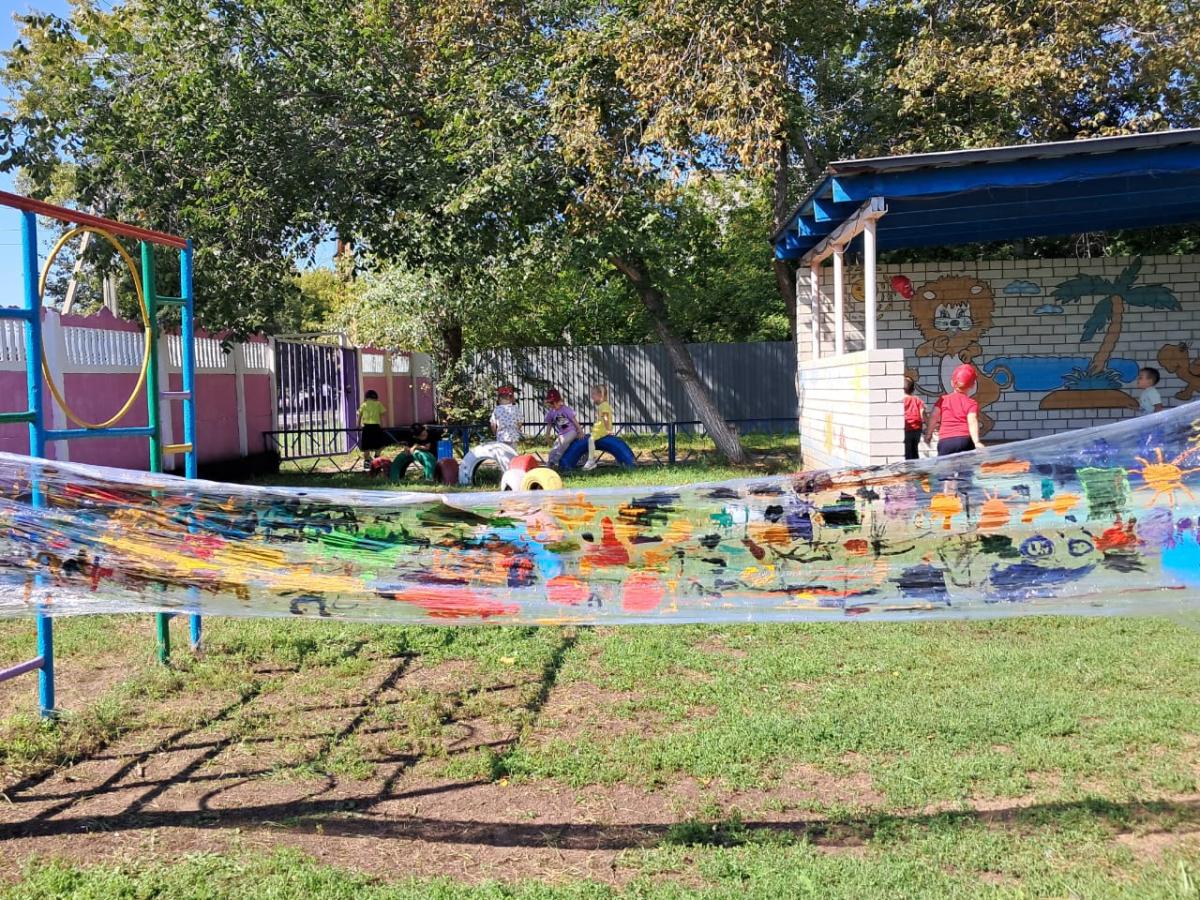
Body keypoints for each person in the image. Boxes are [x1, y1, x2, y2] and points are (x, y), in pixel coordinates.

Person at [926, 364, 986, 456]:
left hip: (945, 441)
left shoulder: (943, 400)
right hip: (964, 440)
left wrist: (929, 434)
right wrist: (976, 442)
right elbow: (972, 421)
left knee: (945, 465)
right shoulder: (971, 403)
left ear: (952, 383)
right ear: (973, 385)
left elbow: (934, 416)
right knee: (967, 465)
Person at [543, 388, 580, 469]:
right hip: (562, 434)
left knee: (563, 442)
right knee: (553, 449)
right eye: (551, 405)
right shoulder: (552, 412)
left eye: (554, 404)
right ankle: (549, 465)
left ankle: (555, 460)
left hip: (571, 431)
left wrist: (580, 431)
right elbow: (549, 424)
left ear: (558, 401)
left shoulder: (565, 409)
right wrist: (547, 436)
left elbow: (574, 420)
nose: (553, 406)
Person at [583, 384, 614, 471]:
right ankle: (589, 458)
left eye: (593, 394)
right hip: (599, 429)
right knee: (589, 440)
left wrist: (608, 430)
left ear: (600, 395)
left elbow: (606, 418)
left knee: (591, 440)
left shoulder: (604, 405)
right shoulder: (602, 405)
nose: (591, 396)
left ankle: (591, 461)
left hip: (602, 430)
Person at [356, 389, 388, 468]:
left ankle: (367, 464)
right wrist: (383, 426)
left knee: (366, 447)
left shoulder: (364, 404)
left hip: (366, 428)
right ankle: (377, 458)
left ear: (366, 397)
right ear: (375, 397)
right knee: (379, 445)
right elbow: (382, 415)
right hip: (376, 427)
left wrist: (357, 425)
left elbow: (359, 415)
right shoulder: (378, 404)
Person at [902, 376, 926, 461]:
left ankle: (909, 467)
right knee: (914, 450)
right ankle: (915, 465)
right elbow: (922, 413)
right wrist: (926, 424)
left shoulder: (901, 401)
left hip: (906, 428)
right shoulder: (917, 400)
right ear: (913, 389)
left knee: (907, 451)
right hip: (917, 429)